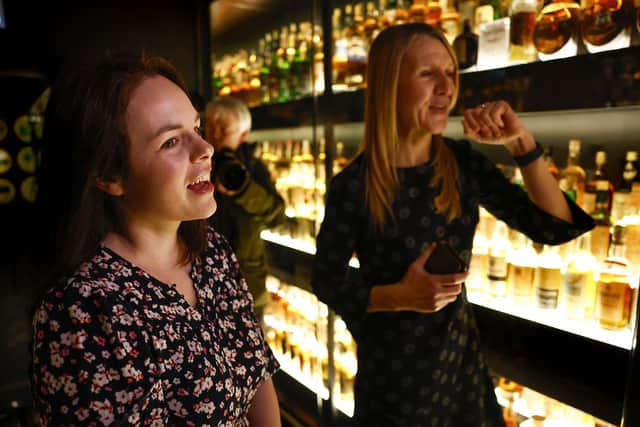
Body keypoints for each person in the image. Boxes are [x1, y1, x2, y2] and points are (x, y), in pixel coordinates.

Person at [311, 23, 594, 427]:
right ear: (390, 84)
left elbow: (554, 227)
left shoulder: (461, 164)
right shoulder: (354, 185)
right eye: (428, 74)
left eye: (450, 73)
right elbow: (325, 279)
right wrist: (401, 295)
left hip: (459, 369)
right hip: (393, 381)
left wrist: (521, 145)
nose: (446, 87)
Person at [30, 53, 281, 426]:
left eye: (196, 128)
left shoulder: (212, 251)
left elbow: (257, 374)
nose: (205, 149)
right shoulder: (82, 313)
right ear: (109, 175)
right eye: (170, 142)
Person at [205, 96, 286, 321]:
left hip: (246, 284)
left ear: (243, 135)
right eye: (210, 126)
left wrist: (244, 189)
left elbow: (277, 217)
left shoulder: (253, 169)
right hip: (202, 284)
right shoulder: (194, 163)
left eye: (223, 128)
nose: (215, 134)